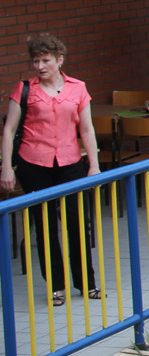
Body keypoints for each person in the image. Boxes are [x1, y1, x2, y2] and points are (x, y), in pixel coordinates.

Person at [1, 34, 103, 304]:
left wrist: (94, 166)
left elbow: (87, 129)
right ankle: (56, 286)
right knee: (45, 226)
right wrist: (6, 168)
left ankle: (87, 283)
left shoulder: (78, 88)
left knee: (78, 224)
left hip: (70, 162)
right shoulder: (24, 89)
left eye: (45, 60)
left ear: (59, 60)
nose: (40, 66)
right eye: (35, 61)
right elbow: (9, 130)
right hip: (34, 163)